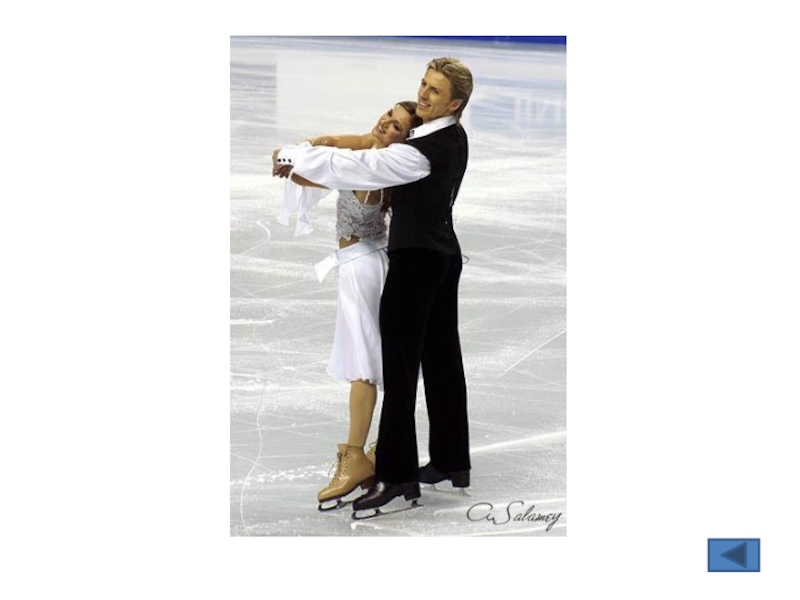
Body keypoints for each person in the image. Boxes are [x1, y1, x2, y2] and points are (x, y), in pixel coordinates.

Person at [273, 57, 474, 517]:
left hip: (415, 262)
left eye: (435, 91)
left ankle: (398, 478)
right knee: (442, 361)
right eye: (423, 84)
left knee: (399, 372)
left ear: (454, 103)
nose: (423, 94)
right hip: (443, 254)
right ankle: (451, 462)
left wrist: (292, 156)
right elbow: (364, 149)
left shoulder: (416, 152)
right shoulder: (451, 137)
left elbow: (360, 165)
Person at [277, 102, 423, 511]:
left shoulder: (371, 168)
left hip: (363, 271)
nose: (385, 123)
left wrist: (292, 159)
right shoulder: (374, 152)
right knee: (373, 361)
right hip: (364, 262)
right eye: (388, 114)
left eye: (396, 126)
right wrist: (314, 142)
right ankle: (381, 447)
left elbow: (307, 173)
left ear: (403, 140)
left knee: (364, 366)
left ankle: (356, 456)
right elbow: (351, 141)